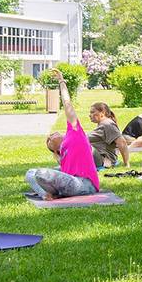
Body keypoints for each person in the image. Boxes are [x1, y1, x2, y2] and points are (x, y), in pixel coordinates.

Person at [25, 70, 100, 199]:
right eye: (49, 139)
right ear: (54, 148)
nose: (51, 135)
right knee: (30, 173)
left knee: (41, 173)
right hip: (71, 184)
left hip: (85, 184)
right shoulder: (63, 159)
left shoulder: (74, 132)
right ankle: (46, 195)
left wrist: (61, 81)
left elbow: (67, 104)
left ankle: (49, 194)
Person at [87, 102, 130, 168]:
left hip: (103, 160)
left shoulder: (108, 124)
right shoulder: (102, 124)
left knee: (82, 145)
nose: (90, 115)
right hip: (97, 157)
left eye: (92, 112)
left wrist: (126, 164)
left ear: (102, 113)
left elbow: (122, 142)